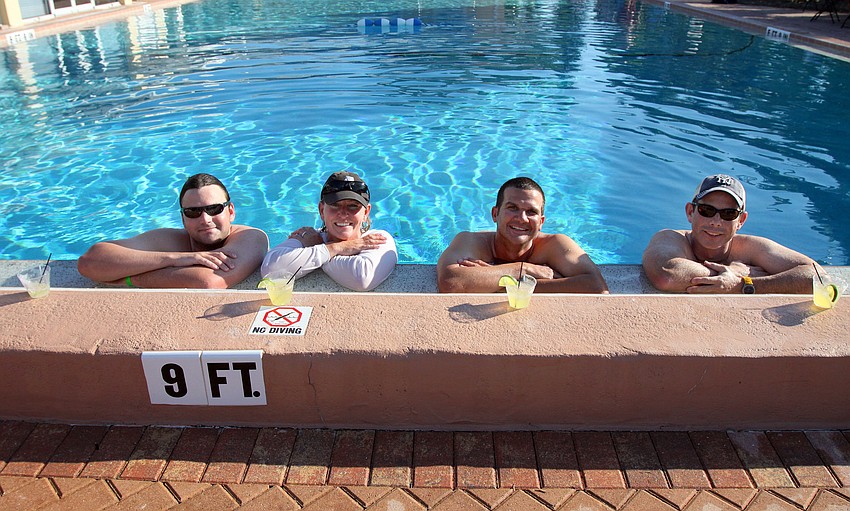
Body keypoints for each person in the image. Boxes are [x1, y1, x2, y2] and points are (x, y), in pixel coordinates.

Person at [77, 173, 268, 289]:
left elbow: (209, 282)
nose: (205, 219)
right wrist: (175, 258)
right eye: (193, 212)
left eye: (214, 209)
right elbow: (89, 262)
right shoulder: (172, 240)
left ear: (231, 211)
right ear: (183, 218)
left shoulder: (251, 237)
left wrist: (128, 278)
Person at [642, 173, 817, 294]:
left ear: (741, 221)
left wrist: (743, 284)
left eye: (728, 214)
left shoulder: (752, 248)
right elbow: (666, 275)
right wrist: (732, 275)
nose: (716, 221)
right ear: (690, 212)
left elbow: (817, 277)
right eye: (707, 210)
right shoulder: (671, 238)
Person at [437, 176, 608, 293]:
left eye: (531, 212)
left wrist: (502, 282)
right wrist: (523, 269)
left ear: (541, 222)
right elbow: (450, 281)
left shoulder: (554, 244)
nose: (522, 218)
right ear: (495, 214)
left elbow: (596, 286)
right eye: (513, 208)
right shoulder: (471, 240)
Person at [261, 171, 398, 291]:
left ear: (366, 212)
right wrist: (334, 248)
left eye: (352, 206)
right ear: (321, 210)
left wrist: (318, 247)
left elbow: (362, 278)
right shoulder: (309, 235)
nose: (343, 214)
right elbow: (271, 270)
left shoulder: (377, 239)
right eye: (335, 205)